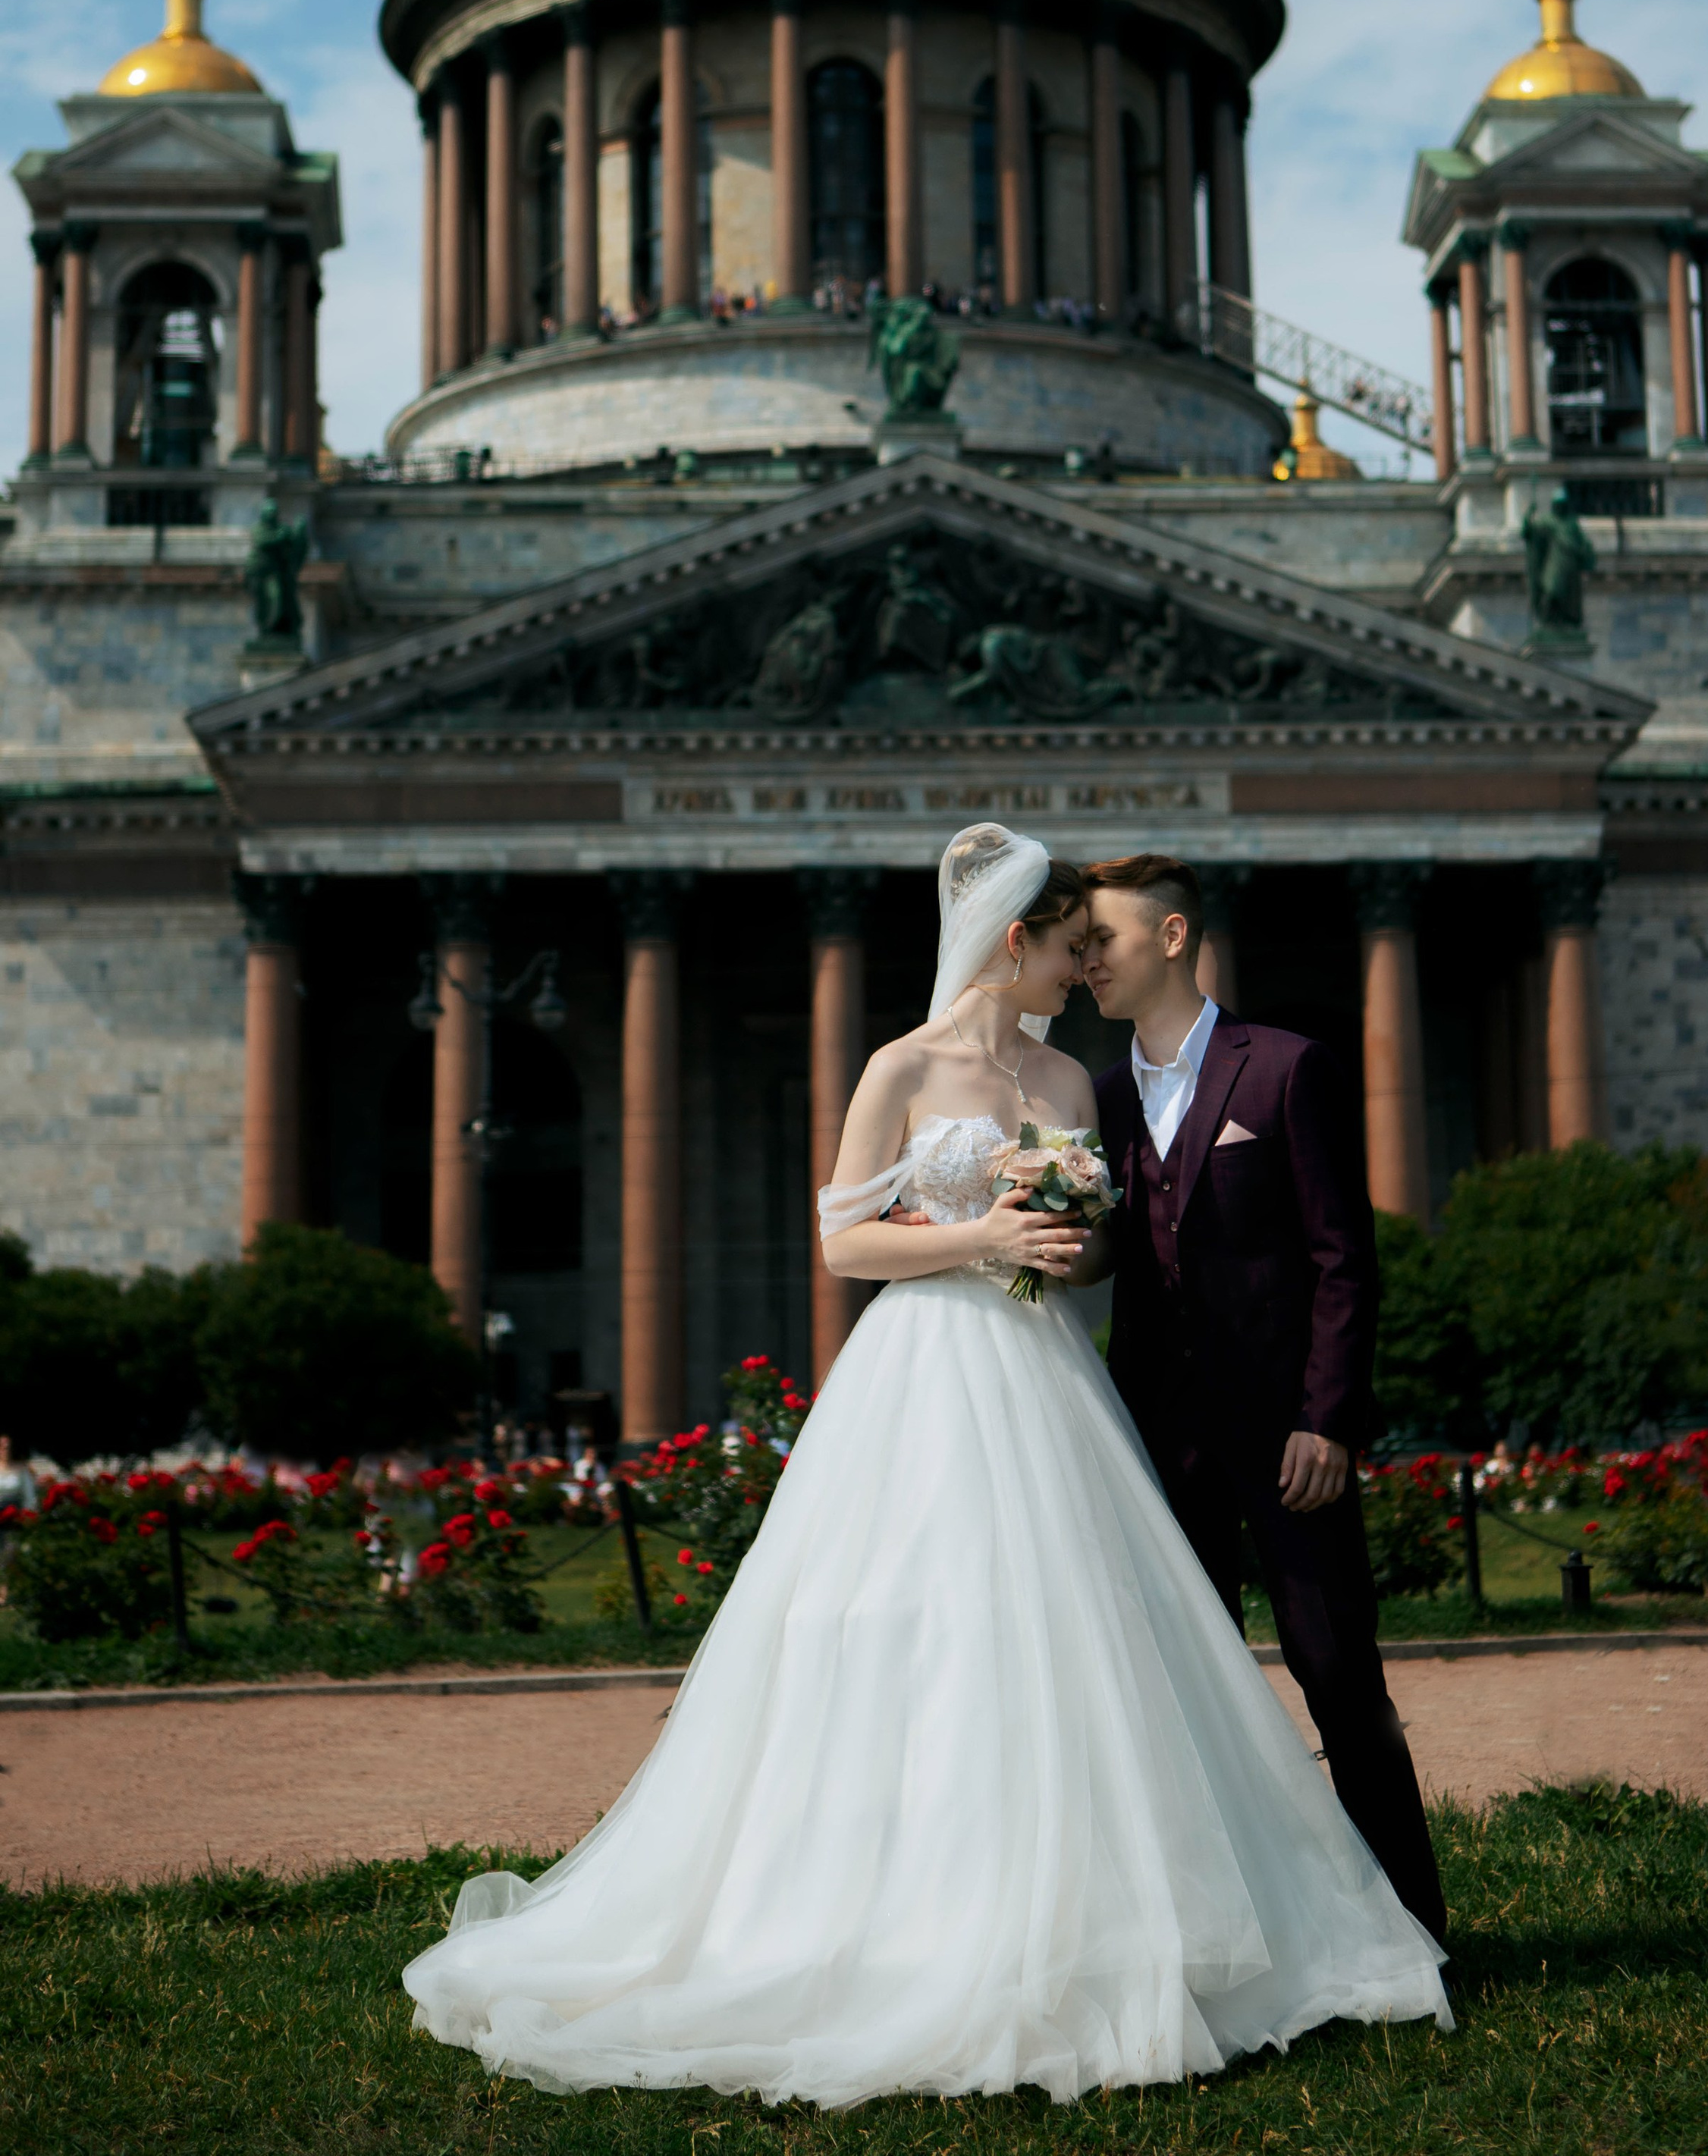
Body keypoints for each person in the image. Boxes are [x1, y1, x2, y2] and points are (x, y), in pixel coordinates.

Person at [403, 826, 1447, 2105]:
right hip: (929, 1374)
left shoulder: (1077, 1085)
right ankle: (907, 1920)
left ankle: (1197, 1915)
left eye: (1096, 950)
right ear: (1019, 944)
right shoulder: (902, 1065)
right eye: (1071, 951)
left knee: (1093, 1654)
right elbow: (845, 1243)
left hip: (1054, 1378)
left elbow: (1117, 1238)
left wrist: (1065, 1244)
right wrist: (979, 1236)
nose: (1083, 972)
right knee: (924, 1638)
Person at [1081, 852, 1447, 1943]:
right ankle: (1234, 1939)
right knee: (1185, 1701)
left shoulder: (1288, 1069)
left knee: (1339, 1680)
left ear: (1175, 936)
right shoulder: (1097, 1100)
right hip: (1159, 1446)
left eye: (1103, 938)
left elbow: (1345, 1260)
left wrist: (1328, 1419)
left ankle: (1415, 1933)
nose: (1086, 960)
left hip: (1291, 1443)